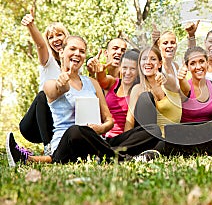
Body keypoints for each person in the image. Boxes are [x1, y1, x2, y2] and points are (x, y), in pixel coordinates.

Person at [6, 36, 156, 166]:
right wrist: (64, 80)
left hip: (97, 141)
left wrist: (101, 128)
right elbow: (58, 89)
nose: (77, 53)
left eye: (82, 51)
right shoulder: (50, 83)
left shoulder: (92, 83)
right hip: (69, 142)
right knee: (76, 130)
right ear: (61, 52)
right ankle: (122, 158)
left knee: (151, 130)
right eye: (73, 49)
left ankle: (104, 155)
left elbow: (109, 120)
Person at [19, 8, 70, 155]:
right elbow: (40, 45)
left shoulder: (74, 66)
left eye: (59, 35)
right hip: (34, 125)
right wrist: (31, 26)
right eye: (51, 37)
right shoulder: (48, 60)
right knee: (43, 95)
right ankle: (48, 147)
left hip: (58, 122)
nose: (56, 39)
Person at [125, 46, 182, 138]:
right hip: (149, 138)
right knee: (145, 96)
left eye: (153, 59)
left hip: (171, 138)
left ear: (160, 64)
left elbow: (171, 80)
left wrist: (165, 78)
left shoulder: (169, 83)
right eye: (144, 59)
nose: (148, 62)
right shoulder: (138, 89)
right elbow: (130, 120)